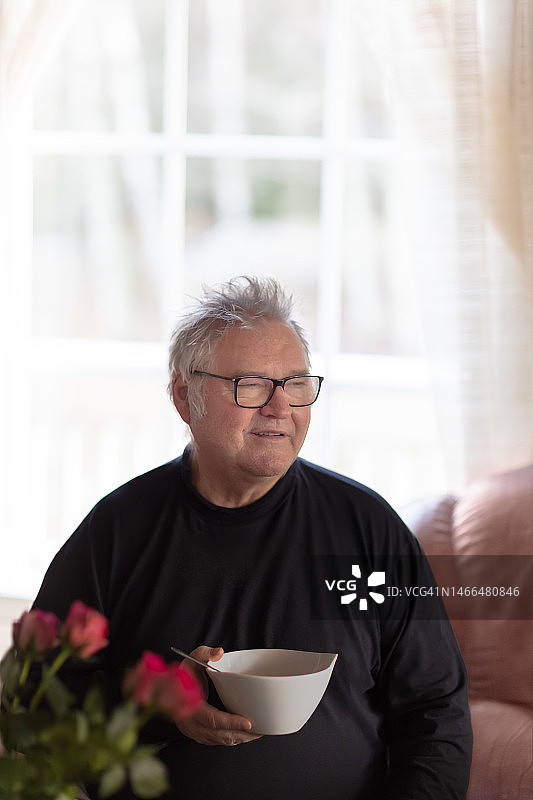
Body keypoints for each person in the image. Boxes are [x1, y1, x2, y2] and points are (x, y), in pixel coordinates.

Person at [32, 276, 472, 799]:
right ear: (184, 396)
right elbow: (36, 699)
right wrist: (160, 706)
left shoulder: (367, 528)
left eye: (295, 383)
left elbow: (437, 711)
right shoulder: (118, 531)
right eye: (252, 384)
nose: (280, 407)